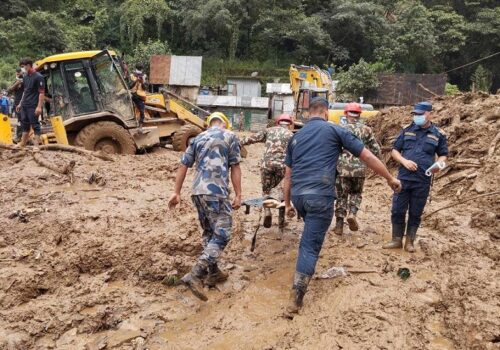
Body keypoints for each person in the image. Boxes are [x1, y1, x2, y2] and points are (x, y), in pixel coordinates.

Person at [283, 97, 401, 316]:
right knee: (309, 246)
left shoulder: (295, 137)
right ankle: (296, 298)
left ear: (308, 113)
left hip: (299, 195)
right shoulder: (335, 130)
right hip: (320, 195)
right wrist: (389, 178)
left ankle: (302, 272)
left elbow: (287, 176)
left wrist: (287, 203)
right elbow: (367, 155)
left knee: (309, 233)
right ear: (326, 112)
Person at [168, 112, 242, 301]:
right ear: (224, 124)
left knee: (209, 233)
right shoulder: (230, 136)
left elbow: (183, 166)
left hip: (197, 193)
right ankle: (196, 273)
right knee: (223, 234)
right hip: (216, 192)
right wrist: (239, 194)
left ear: (209, 125)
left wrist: (176, 192)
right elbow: (235, 167)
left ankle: (214, 272)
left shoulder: (198, 138)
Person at [383, 102, 448, 252]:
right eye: (415, 114)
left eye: (420, 114)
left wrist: (438, 166)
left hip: (423, 180)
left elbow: (443, 155)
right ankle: (396, 239)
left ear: (430, 114)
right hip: (404, 178)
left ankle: (410, 242)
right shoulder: (407, 130)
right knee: (398, 209)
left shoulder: (438, 134)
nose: (417, 117)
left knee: (416, 211)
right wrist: (404, 161)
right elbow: (394, 151)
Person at [333, 103, 381, 235]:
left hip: (342, 169)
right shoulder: (366, 130)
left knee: (341, 196)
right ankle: (352, 214)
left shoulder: (339, 128)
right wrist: (379, 164)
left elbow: (332, 148)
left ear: (345, 113)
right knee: (356, 193)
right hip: (359, 169)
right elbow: (375, 149)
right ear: (359, 115)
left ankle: (339, 226)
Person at [241, 113, 294, 227]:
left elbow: (252, 139)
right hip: (283, 166)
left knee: (266, 190)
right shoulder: (291, 135)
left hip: (267, 165)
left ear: (277, 122)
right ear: (289, 124)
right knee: (282, 192)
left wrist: (239, 142)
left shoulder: (269, 130)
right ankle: (281, 221)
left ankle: (267, 212)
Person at [16, 58, 45, 148]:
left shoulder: (38, 76)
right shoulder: (25, 77)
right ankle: (22, 144)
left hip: (33, 105)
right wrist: (20, 103)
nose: (22, 69)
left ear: (28, 65)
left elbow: (41, 93)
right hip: (25, 104)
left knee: (35, 124)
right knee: (24, 124)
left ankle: (36, 146)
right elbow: (25, 91)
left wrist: (39, 107)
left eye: (23, 66)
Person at [129, 63, 147, 128]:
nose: (140, 71)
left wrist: (142, 82)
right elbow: (130, 86)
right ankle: (139, 125)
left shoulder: (144, 76)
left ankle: (140, 125)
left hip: (140, 96)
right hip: (133, 95)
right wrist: (136, 80)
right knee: (141, 111)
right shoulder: (132, 75)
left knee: (142, 111)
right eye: (139, 69)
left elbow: (145, 88)